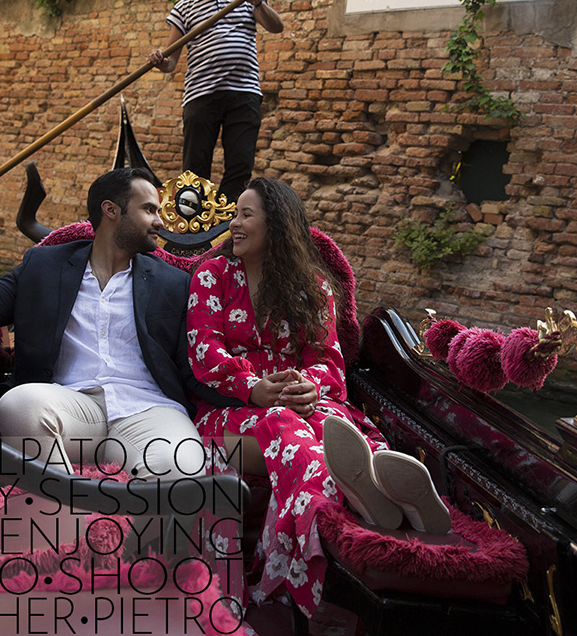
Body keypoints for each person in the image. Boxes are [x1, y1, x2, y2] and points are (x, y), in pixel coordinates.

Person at [0, 168, 239, 479]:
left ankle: (137, 554)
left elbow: (201, 358)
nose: (160, 221)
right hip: (70, 408)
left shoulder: (175, 283)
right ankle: (68, 521)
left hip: (147, 411)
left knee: (184, 465)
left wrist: (253, 392)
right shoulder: (43, 267)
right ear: (111, 211)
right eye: (150, 210)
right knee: (19, 404)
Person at [186, 177, 452, 621]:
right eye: (234, 215)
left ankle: (385, 496)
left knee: (334, 423)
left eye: (245, 216)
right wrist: (255, 388)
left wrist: (307, 386)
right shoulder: (211, 275)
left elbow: (328, 360)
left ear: (277, 225)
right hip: (228, 417)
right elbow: (203, 348)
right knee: (284, 425)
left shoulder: (311, 286)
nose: (233, 225)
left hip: (301, 407)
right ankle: (318, 549)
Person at [148, 0, 284, 203]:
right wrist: (161, 61)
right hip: (201, 94)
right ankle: (192, 232)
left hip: (244, 93)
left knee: (240, 166)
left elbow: (276, 26)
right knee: (195, 169)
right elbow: (172, 61)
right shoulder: (184, 6)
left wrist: (258, 1)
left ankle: (226, 228)